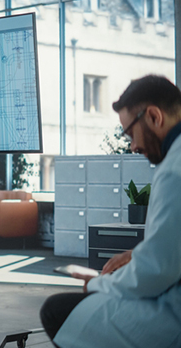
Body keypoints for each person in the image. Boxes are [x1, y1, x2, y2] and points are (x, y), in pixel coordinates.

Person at [40, 75, 181, 348]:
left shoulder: (174, 171)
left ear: (154, 117)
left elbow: (155, 272)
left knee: (57, 311)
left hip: (172, 316)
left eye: (130, 133)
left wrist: (97, 283)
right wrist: (137, 254)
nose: (133, 146)